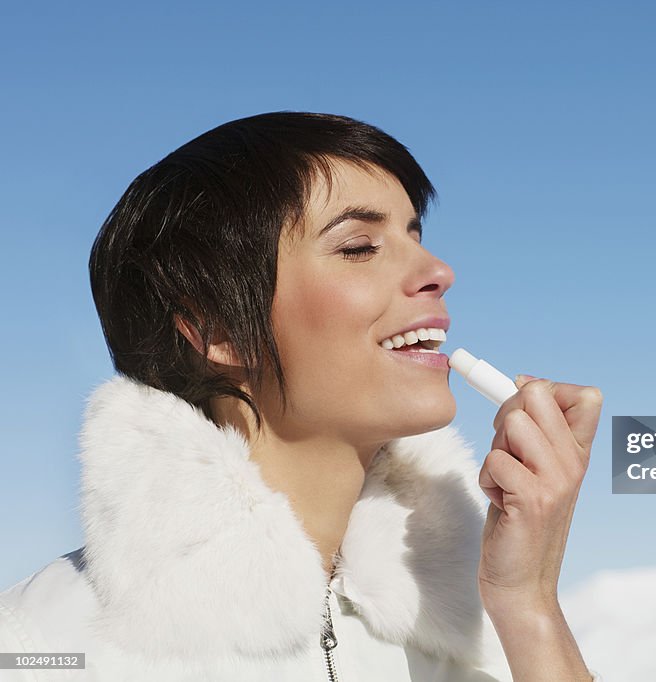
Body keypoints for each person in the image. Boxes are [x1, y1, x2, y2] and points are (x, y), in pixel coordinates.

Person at [0, 112, 604, 681]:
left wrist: (528, 604)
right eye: (358, 247)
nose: (439, 270)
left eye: (416, 236)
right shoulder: (36, 646)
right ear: (218, 330)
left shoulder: (483, 637)